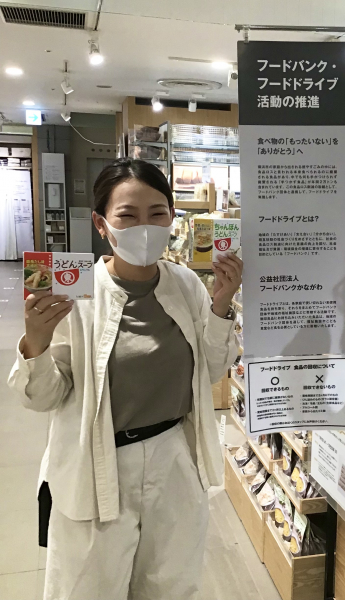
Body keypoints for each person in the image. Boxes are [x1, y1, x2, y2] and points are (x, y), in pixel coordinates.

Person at [8, 159, 242, 600]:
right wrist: (36, 342)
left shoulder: (186, 284)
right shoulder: (74, 290)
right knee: (87, 588)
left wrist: (221, 305)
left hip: (173, 459)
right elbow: (44, 397)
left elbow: (208, 373)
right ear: (101, 224)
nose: (145, 227)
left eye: (157, 213)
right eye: (127, 215)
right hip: (96, 463)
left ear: (172, 218)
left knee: (170, 587)